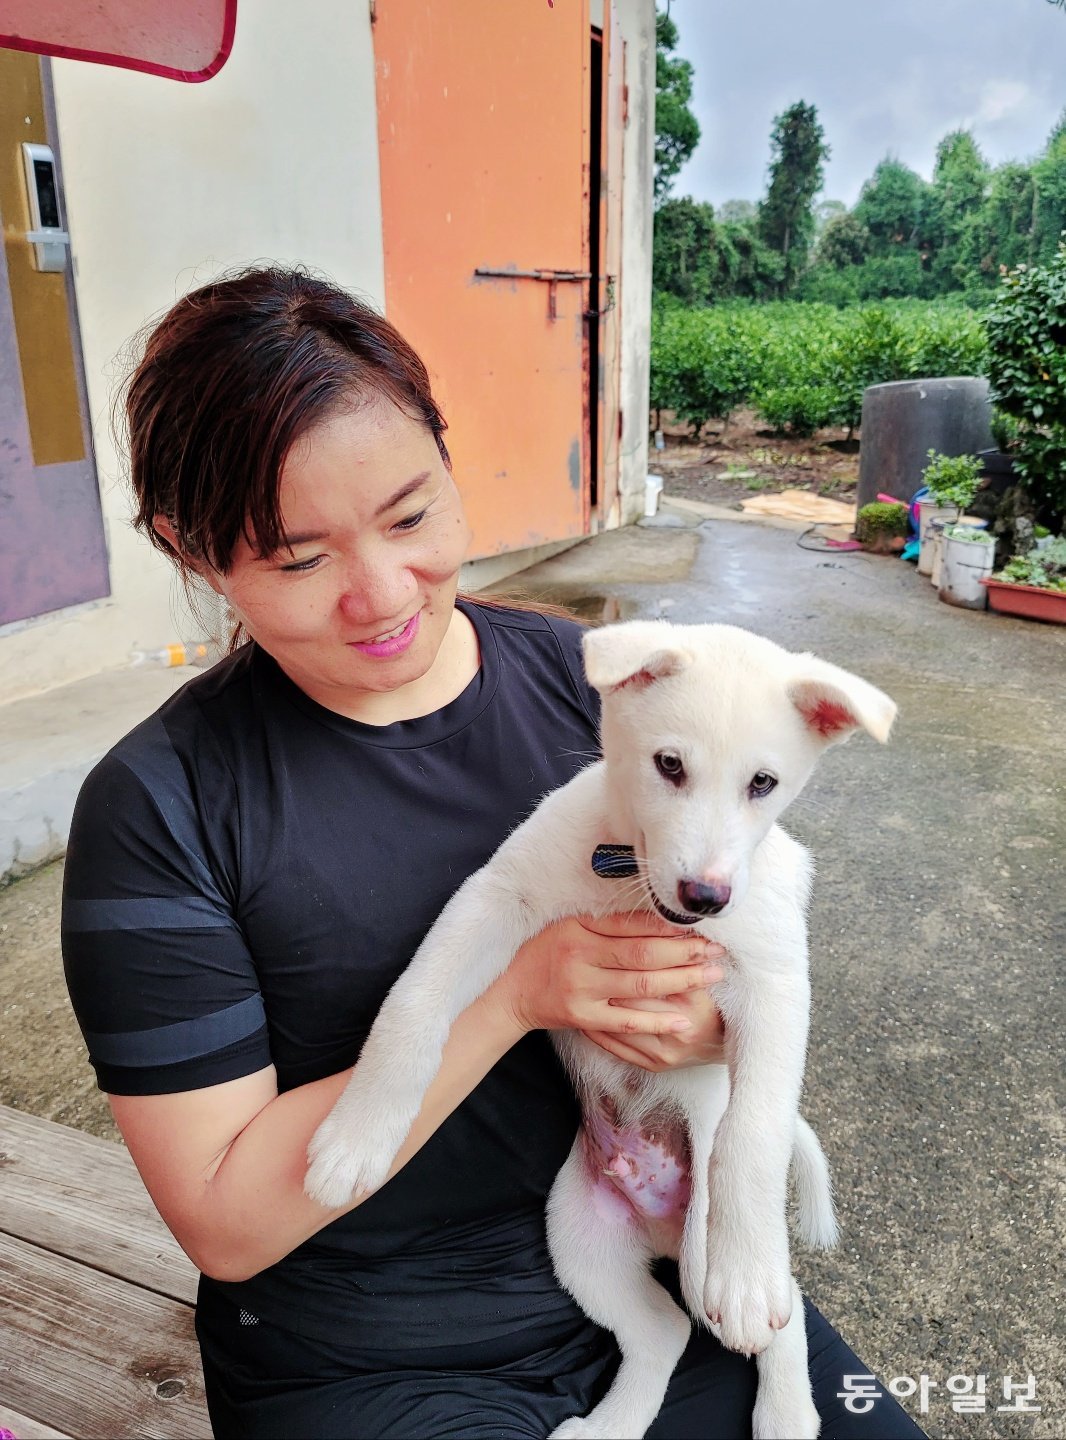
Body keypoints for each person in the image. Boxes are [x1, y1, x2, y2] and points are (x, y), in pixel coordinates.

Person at [62, 267, 925, 1440]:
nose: (381, 594)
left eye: (412, 516)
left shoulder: (613, 694)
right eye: (299, 557)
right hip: (372, 1351)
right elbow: (223, 1218)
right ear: (194, 549)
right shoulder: (161, 812)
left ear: (447, 456)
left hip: (659, 1265)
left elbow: (751, 935)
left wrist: (705, 1023)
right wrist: (520, 993)